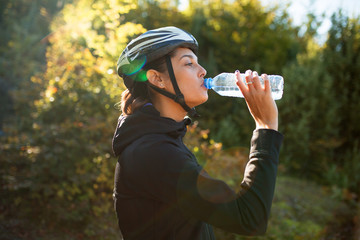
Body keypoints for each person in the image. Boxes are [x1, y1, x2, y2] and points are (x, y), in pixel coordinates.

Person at [112, 26, 283, 240]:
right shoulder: (153, 153)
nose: (202, 70)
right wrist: (266, 127)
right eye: (188, 63)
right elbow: (249, 217)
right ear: (157, 79)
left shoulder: (160, 144)